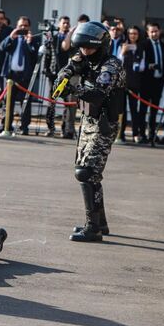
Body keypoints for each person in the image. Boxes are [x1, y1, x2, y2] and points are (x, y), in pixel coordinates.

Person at [53, 21, 126, 242]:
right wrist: (64, 77)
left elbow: (98, 93)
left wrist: (74, 88)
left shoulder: (111, 66)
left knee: (86, 172)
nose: (85, 52)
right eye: (82, 48)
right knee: (87, 172)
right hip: (87, 121)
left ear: (101, 46)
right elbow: (68, 68)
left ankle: (92, 228)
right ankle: (100, 223)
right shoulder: (84, 58)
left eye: (90, 48)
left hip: (104, 124)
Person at [0, 16, 39, 135]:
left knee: (26, 103)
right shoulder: (13, 38)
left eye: (25, 26)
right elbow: (2, 47)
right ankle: (6, 125)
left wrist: (29, 42)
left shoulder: (32, 40)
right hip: (11, 76)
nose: (23, 28)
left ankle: (24, 127)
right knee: (8, 102)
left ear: (29, 27)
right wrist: (11, 36)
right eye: (20, 26)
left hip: (25, 76)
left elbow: (34, 53)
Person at [43, 16, 75, 138]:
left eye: (68, 23)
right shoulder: (54, 38)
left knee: (67, 103)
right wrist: (47, 70)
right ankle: (50, 128)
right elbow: (47, 54)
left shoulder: (72, 39)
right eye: (64, 23)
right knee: (51, 102)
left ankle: (65, 129)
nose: (66, 25)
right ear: (59, 24)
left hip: (67, 74)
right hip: (54, 74)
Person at [139, 22, 164, 144]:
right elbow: (139, 62)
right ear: (147, 32)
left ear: (159, 31)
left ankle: (151, 134)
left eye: (156, 31)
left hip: (159, 81)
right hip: (146, 81)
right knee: (143, 109)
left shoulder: (162, 45)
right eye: (151, 31)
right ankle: (141, 134)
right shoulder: (144, 45)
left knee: (154, 110)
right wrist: (148, 66)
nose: (154, 33)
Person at [116, 26, 145, 143]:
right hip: (122, 83)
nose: (133, 36)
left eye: (135, 34)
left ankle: (135, 134)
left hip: (134, 83)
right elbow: (117, 62)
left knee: (134, 109)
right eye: (131, 33)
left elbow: (143, 65)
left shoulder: (141, 48)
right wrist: (123, 52)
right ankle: (120, 134)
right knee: (121, 110)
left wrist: (137, 66)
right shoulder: (122, 45)